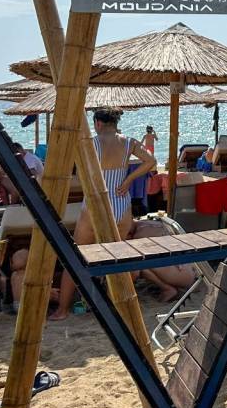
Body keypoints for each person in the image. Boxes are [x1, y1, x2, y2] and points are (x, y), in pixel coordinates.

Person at [50, 108, 156, 321]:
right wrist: (129, 179)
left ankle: (62, 310)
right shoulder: (129, 142)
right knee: (116, 260)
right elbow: (151, 161)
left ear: (97, 123)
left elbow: (75, 171)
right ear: (115, 123)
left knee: (76, 258)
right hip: (121, 202)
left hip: (95, 203)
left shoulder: (90, 144)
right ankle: (116, 309)